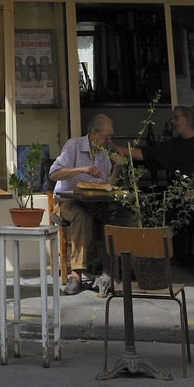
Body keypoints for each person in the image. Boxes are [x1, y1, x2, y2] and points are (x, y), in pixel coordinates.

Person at [124, 103, 194, 281]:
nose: (172, 121)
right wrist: (114, 148)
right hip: (180, 196)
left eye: (176, 117)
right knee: (154, 206)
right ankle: (161, 257)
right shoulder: (172, 146)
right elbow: (143, 154)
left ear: (188, 119)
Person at [49, 112, 114, 295]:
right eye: (106, 136)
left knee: (119, 216)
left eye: (111, 136)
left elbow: (107, 183)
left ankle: (115, 268)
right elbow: (53, 173)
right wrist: (82, 169)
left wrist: (118, 168)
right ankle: (76, 274)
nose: (109, 140)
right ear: (93, 133)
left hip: (94, 201)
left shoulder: (103, 154)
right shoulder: (74, 145)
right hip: (67, 200)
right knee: (82, 216)